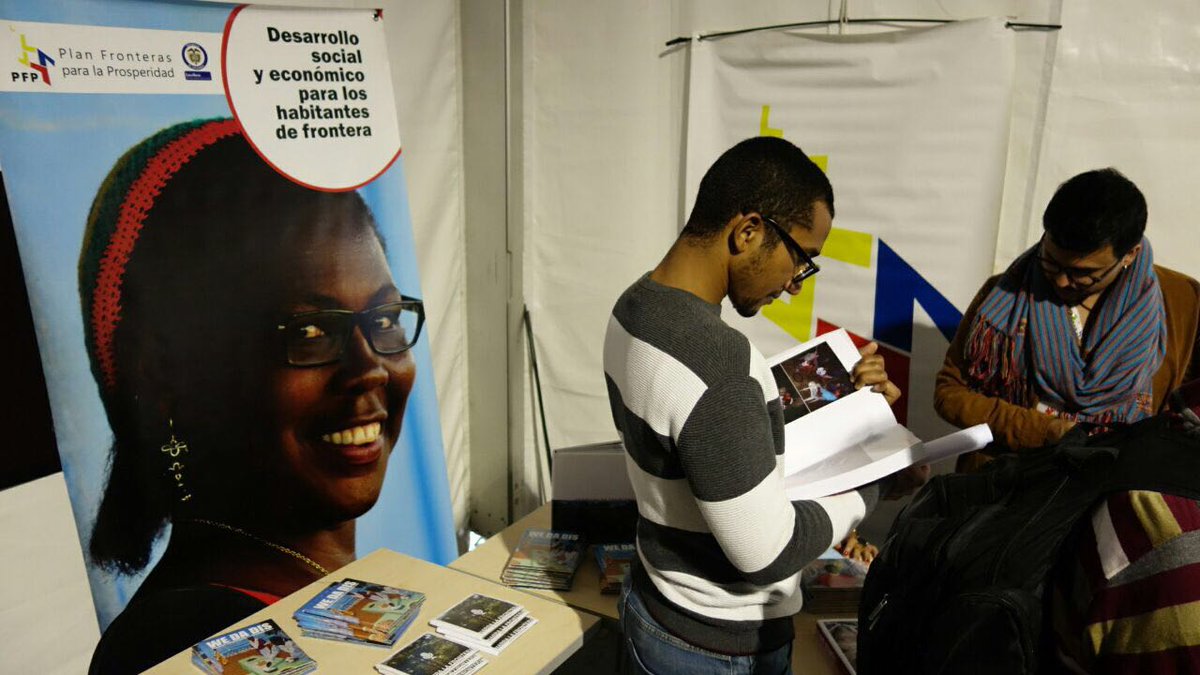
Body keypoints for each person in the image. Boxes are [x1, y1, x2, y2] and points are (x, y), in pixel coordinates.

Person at [84, 119, 425, 673]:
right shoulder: (181, 649)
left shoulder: (318, 593)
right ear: (166, 374)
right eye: (310, 331)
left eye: (384, 318)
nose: (370, 369)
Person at [603, 136, 923, 674]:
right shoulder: (721, 365)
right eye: (801, 258)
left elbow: (694, 435)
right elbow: (767, 552)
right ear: (748, 231)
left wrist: (843, 407)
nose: (795, 284)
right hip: (718, 646)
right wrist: (878, 481)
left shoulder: (635, 306)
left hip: (655, 607)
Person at [933, 168, 1200, 670]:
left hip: (1113, 527)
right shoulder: (1003, 297)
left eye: (1083, 274)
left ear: (1129, 255)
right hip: (1009, 517)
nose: (1059, 281)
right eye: (1050, 261)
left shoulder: (1182, 302)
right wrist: (1046, 432)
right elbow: (950, 392)